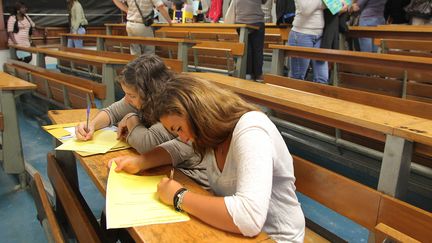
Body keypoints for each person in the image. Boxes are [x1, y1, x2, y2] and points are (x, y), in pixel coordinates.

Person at [109, 74, 306, 242]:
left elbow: (249, 217)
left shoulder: (251, 131)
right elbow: (177, 148)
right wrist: (139, 162)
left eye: (179, 129)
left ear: (197, 113)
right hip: (234, 232)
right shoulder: (209, 133)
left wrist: (179, 196)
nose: (183, 137)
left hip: (274, 237)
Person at [75, 54, 208, 187]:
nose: (127, 99)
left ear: (150, 93)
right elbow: (113, 111)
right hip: (166, 165)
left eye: (131, 95)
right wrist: (92, 125)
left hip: (190, 175)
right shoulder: (139, 96)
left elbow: (147, 144)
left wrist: (131, 119)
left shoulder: (169, 106)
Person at [288, 0, 328, 84]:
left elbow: (337, 6)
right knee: (297, 78)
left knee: (322, 78)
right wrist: (322, 3)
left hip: (320, 35)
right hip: (301, 34)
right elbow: (306, 10)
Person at [235, 0, 267, 82]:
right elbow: (264, 1)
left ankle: (248, 74)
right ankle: (258, 74)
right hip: (256, 20)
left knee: (246, 49)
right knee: (257, 50)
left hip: (240, 20)